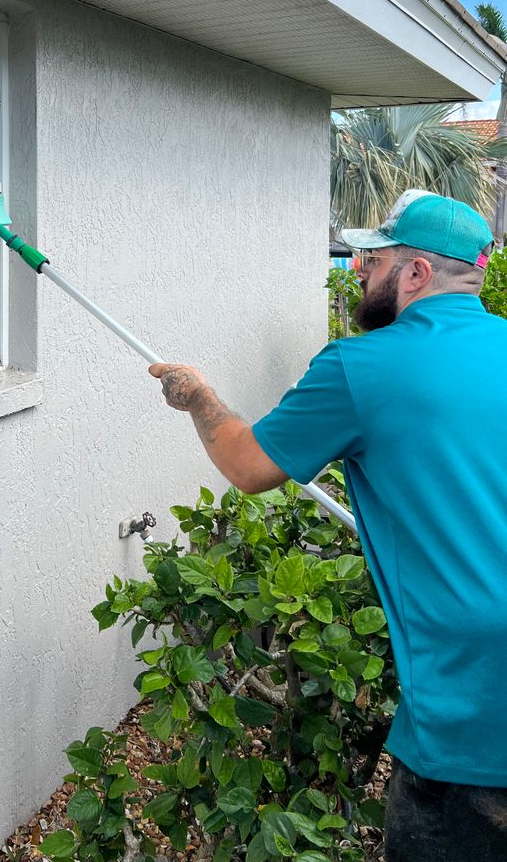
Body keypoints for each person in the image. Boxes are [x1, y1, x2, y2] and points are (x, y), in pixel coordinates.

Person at [149, 190, 507, 862]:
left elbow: (248, 465)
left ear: (416, 274)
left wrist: (199, 399)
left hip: (474, 703)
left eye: (370, 261)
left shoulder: (361, 367)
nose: (356, 273)